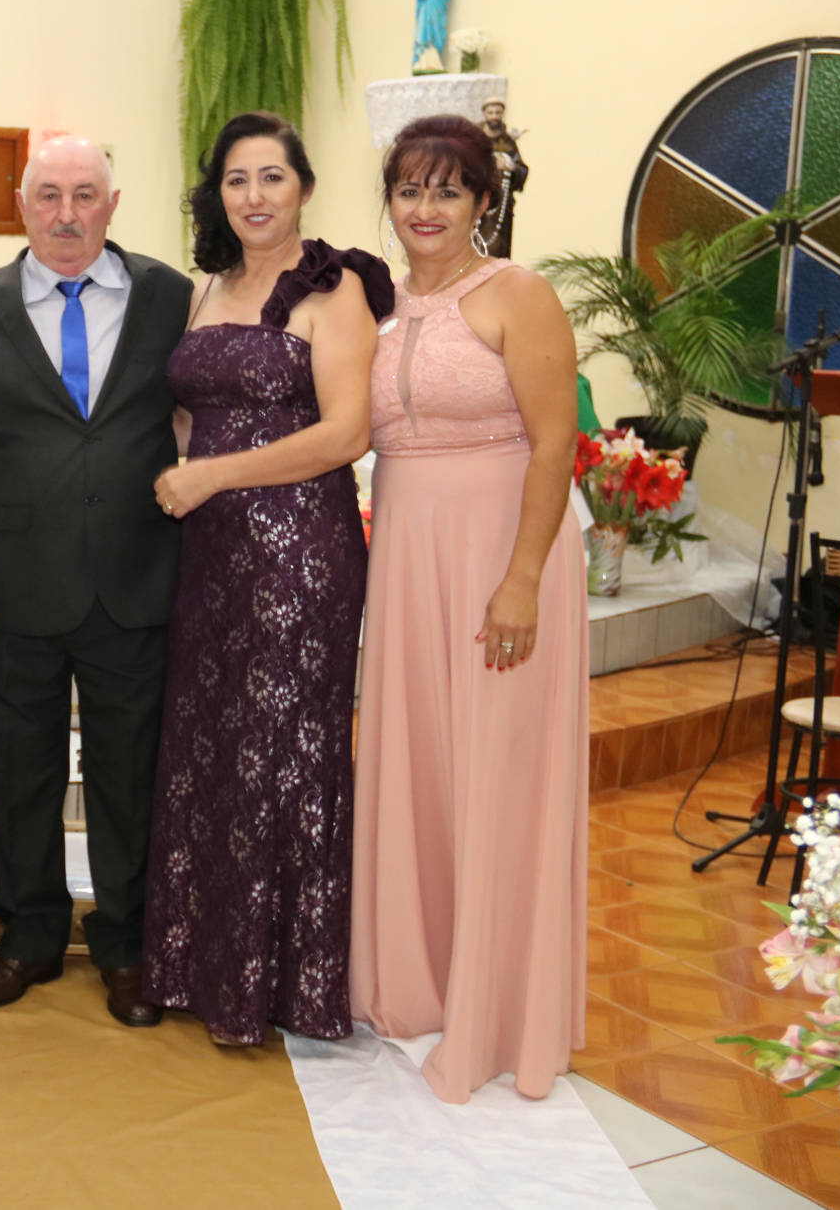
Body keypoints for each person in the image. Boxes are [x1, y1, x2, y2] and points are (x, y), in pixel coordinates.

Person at [0, 135, 190, 1028]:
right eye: (48, 195)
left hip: (134, 577)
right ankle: (29, 935)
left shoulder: (170, 297)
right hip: (14, 585)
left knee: (127, 776)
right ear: (21, 204)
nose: (66, 214)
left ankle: (126, 946)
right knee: (20, 772)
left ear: (113, 204)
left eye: (84, 194)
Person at [349, 114, 589, 1102]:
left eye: (447, 191)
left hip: (501, 552)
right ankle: (413, 983)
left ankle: (499, 1008)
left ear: (482, 202)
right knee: (418, 763)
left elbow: (554, 441)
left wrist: (522, 575)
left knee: (496, 771)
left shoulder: (517, 294)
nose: (425, 208)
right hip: (407, 555)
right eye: (409, 189)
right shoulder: (374, 301)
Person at [141, 113, 389, 1045]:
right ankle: (199, 964)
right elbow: (191, 413)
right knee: (212, 745)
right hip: (209, 556)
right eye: (237, 179)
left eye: (272, 177)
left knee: (282, 749)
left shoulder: (335, 288)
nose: (254, 195)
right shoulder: (207, 286)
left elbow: (346, 432)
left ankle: (277, 981)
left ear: (305, 188)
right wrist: (177, 465)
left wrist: (212, 474)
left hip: (298, 553)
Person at [479, 99, 529, 259]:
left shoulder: (508, 142)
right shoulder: (475, 139)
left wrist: (512, 168)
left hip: (502, 205)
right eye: (491, 112)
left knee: (499, 248)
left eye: (498, 113)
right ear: (485, 114)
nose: (494, 116)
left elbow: (522, 169)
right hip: (479, 202)